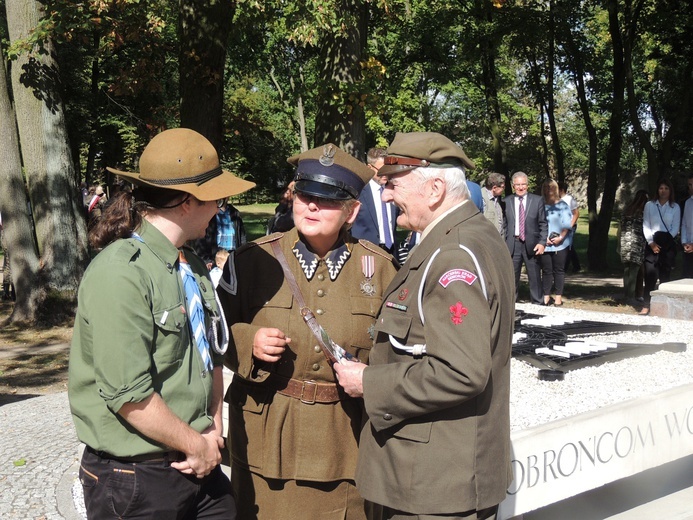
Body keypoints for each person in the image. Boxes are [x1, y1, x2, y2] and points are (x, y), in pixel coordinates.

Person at [68, 128, 255, 519]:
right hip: (136, 477)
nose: (220, 208)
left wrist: (212, 429)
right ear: (187, 201)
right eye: (215, 197)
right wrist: (196, 444)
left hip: (197, 460)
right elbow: (128, 395)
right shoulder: (121, 273)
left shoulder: (193, 266)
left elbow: (211, 356)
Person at [334, 131, 515, 520]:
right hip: (445, 474)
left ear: (434, 189)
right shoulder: (473, 235)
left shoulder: (452, 256)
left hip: (433, 485)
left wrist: (368, 382)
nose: (384, 196)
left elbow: (461, 372)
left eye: (393, 185)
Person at [217, 143, 398, 520]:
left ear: (353, 212)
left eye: (328, 200)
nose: (312, 205)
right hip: (268, 440)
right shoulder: (252, 261)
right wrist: (248, 342)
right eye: (304, 195)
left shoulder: (381, 270)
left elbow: (397, 355)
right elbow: (210, 334)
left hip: (345, 442)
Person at [504, 171, 548, 305]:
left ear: (527, 185)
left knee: (535, 277)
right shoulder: (506, 201)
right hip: (513, 244)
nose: (520, 187)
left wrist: (542, 243)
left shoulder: (537, 200)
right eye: (517, 185)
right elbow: (504, 225)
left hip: (532, 244)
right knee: (511, 278)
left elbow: (543, 223)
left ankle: (538, 305)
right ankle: (512, 307)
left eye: (523, 184)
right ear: (513, 186)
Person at [642, 178, 680, 315]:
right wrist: (651, 242)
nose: (663, 191)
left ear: (670, 191)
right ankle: (646, 304)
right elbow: (646, 225)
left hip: (667, 243)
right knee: (650, 276)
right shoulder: (650, 205)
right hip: (652, 242)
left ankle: (664, 307)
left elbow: (675, 227)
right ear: (657, 190)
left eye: (666, 188)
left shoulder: (675, 207)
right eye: (661, 188)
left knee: (665, 276)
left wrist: (666, 242)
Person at [351, 147, 399, 254]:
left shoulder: (393, 191)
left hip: (391, 252)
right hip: (366, 252)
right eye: (381, 170)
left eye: (388, 169)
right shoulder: (358, 192)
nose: (386, 174)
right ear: (370, 167)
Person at [540, 179, 573, 306]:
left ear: (556, 188)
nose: (549, 189)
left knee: (559, 270)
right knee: (547, 271)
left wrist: (561, 237)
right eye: (546, 187)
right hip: (545, 243)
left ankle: (558, 297)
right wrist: (543, 239)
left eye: (552, 187)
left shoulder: (563, 205)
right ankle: (546, 296)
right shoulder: (540, 204)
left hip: (560, 243)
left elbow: (567, 224)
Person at [195, 200, 247, 268]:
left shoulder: (234, 213)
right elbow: (200, 241)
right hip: (214, 262)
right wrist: (207, 260)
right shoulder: (209, 213)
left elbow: (242, 238)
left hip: (233, 260)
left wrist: (242, 256)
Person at [618, 189, 649, 304]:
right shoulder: (643, 212)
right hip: (637, 244)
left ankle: (626, 295)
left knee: (626, 270)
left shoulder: (627, 211)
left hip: (625, 243)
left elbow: (621, 227)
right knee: (634, 271)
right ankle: (631, 297)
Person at [559, 181, 581, 272]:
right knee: (568, 246)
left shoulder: (569, 199)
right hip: (562, 226)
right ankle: (576, 266)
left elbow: (576, 213)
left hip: (570, 226)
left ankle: (566, 267)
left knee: (569, 246)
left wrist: (571, 225)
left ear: (562, 190)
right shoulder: (558, 199)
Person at [481, 172, 506, 238]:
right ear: (494, 188)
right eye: (502, 187)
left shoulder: (496, 199)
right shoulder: (481, 198)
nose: (503, 189)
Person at [682, 175, 693, 278]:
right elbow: (684, 223)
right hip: (689, 247)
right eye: (690, 184)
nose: (692, 187)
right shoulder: (688, 203)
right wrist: (684, 242)